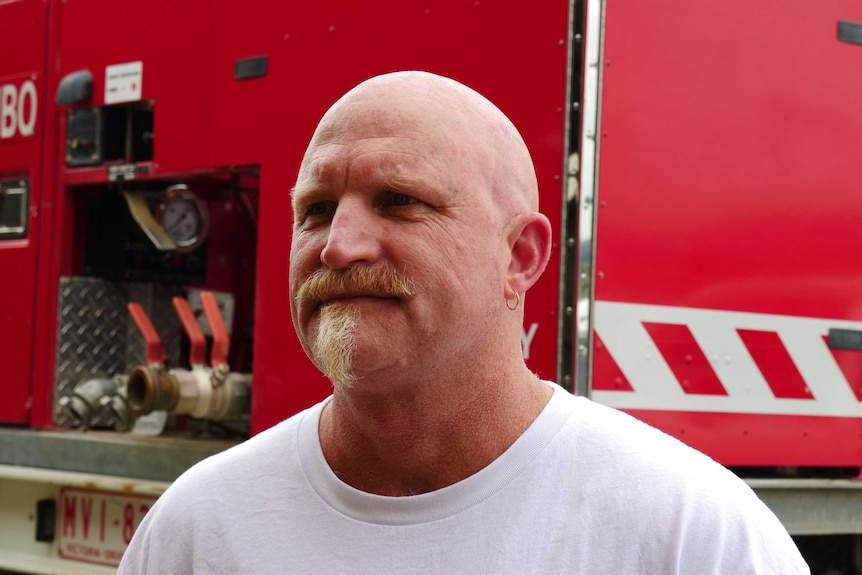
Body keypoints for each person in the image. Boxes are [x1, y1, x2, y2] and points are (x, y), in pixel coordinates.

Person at [119, 71, 809, 574]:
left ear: (520, 256)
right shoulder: (197, 530)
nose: (338, 244)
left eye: (398, 200)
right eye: (318, 209)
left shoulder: (691, 535)